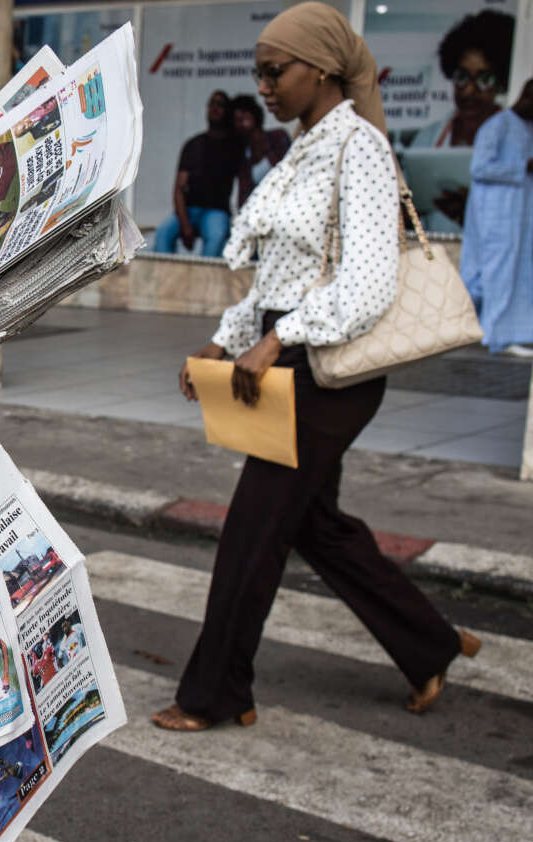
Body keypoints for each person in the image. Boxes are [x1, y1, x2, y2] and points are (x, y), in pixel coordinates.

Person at [157, 2, 482, 733]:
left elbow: (367, 283)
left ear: (324, 70)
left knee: (252, 529)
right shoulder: (301, 148)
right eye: (259, 73)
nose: (264, 86)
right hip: (288, 356)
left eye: (277, 72)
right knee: (314, 525)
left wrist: (280, 341)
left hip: (327, 370)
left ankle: (216, 694)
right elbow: (279, 278)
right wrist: (226, 338)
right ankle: (429, 643)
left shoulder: (358, 147)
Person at [410, 10, 515, 231]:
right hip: (433, 259)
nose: (469, 91)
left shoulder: (516, 140)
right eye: (462, 77)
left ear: (501, 83)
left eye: (484, 79)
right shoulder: (429, 138)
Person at [459, 80, 533, 356]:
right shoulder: (497, 125)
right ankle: (495, 334)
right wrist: (522, 166)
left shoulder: (528, 128)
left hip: (520, 216)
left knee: (517, 273)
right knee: (491, 273)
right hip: (494, 215)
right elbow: (479, 168)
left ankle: (509, 332)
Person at [153, 90, 242, 257]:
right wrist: (185, 225)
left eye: (221, 105)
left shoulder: (235, 146)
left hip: (217, 211)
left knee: (216, 236)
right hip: (190, 210)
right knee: (163, 233)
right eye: (212, 103)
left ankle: (204, 282)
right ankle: (166, 282)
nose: (215, 108)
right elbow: (178, 189)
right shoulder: (194, 144)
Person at [230, 94, 290, 211]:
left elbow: (290, 173)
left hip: (283, 206)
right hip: (259, 213)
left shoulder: (278, 137)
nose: (241, 120)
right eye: (236, 118)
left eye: (244, 113)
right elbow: (243, 198)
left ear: (254, 113)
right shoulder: (243, 156)